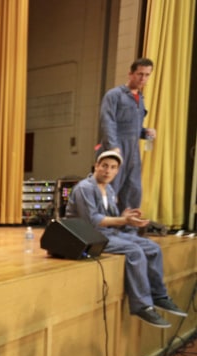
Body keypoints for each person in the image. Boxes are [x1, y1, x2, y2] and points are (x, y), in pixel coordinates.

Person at [66, 149, 185, 328]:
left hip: (106, 233)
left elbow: (112, 220)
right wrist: (123, 220)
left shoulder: (110, 190)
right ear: (96, 166)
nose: (108, 171)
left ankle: (159, 296)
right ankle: (142, 305)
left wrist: (126, 217)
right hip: (87, 236)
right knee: (134, 251)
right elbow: (92, 221)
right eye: (104, 166)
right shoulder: (85, 188)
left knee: (153, 248)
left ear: (117, 171)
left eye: (113, 167)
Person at [99, 57, 156, 212]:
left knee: (133, 189)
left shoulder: (140, 98)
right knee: (110, 188)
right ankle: (105, 227)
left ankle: (127, 229)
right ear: (130, 74)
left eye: (147, 75)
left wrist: (145, 132)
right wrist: (113, 148)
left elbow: (133, 126)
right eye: (140, 74)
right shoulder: (114, 95)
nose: (143, 78)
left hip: (133, 151)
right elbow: (108, 121)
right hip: (116, 148)